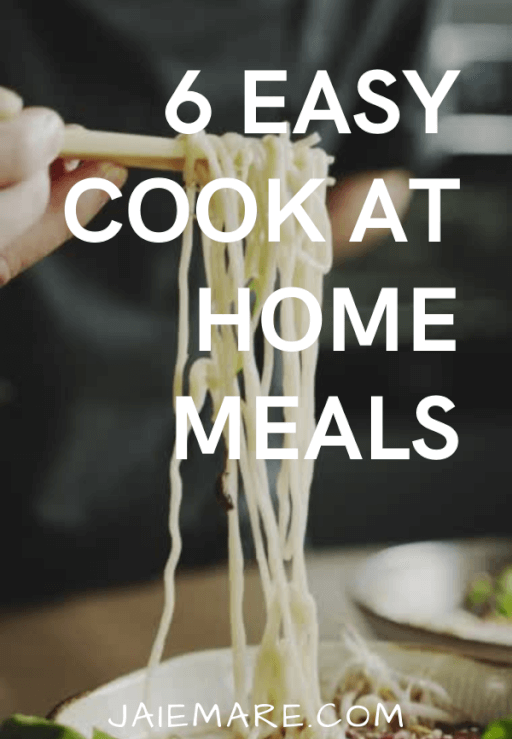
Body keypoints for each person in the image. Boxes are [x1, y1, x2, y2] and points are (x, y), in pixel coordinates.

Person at [0, 0, 432, 603]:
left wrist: (278, 236)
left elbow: (378, 172)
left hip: (241, 429)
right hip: (29, 408)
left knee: (247, 629)